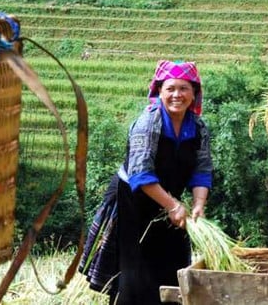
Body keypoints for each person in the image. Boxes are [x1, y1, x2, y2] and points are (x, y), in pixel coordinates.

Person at [80, 60, 213, 305]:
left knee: (172, 267)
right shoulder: (148, 123)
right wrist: (173, 206)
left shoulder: (198, 127)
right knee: (135, 275)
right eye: (170, 88)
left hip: (169, 202)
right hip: (135, 203)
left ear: (194, 93)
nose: (177, 95)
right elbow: (140, 174)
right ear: (159, 91)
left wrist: (198, 203)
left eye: (184, 89)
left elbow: (202, 169)